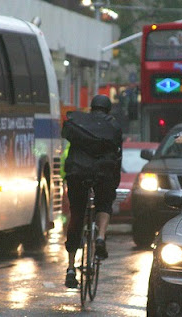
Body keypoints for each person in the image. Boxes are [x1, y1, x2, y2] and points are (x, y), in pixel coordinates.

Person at [61, 94, 122, 288]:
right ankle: (100, 237)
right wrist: (114, 182)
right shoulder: (113, 126)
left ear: (91, 107)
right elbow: (116, 156)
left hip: (77, 173)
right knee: (104, 204)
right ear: (108, 109)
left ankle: (71, 268)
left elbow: (70, 153)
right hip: (103, 173)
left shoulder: (78, 121)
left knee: (77, 214)